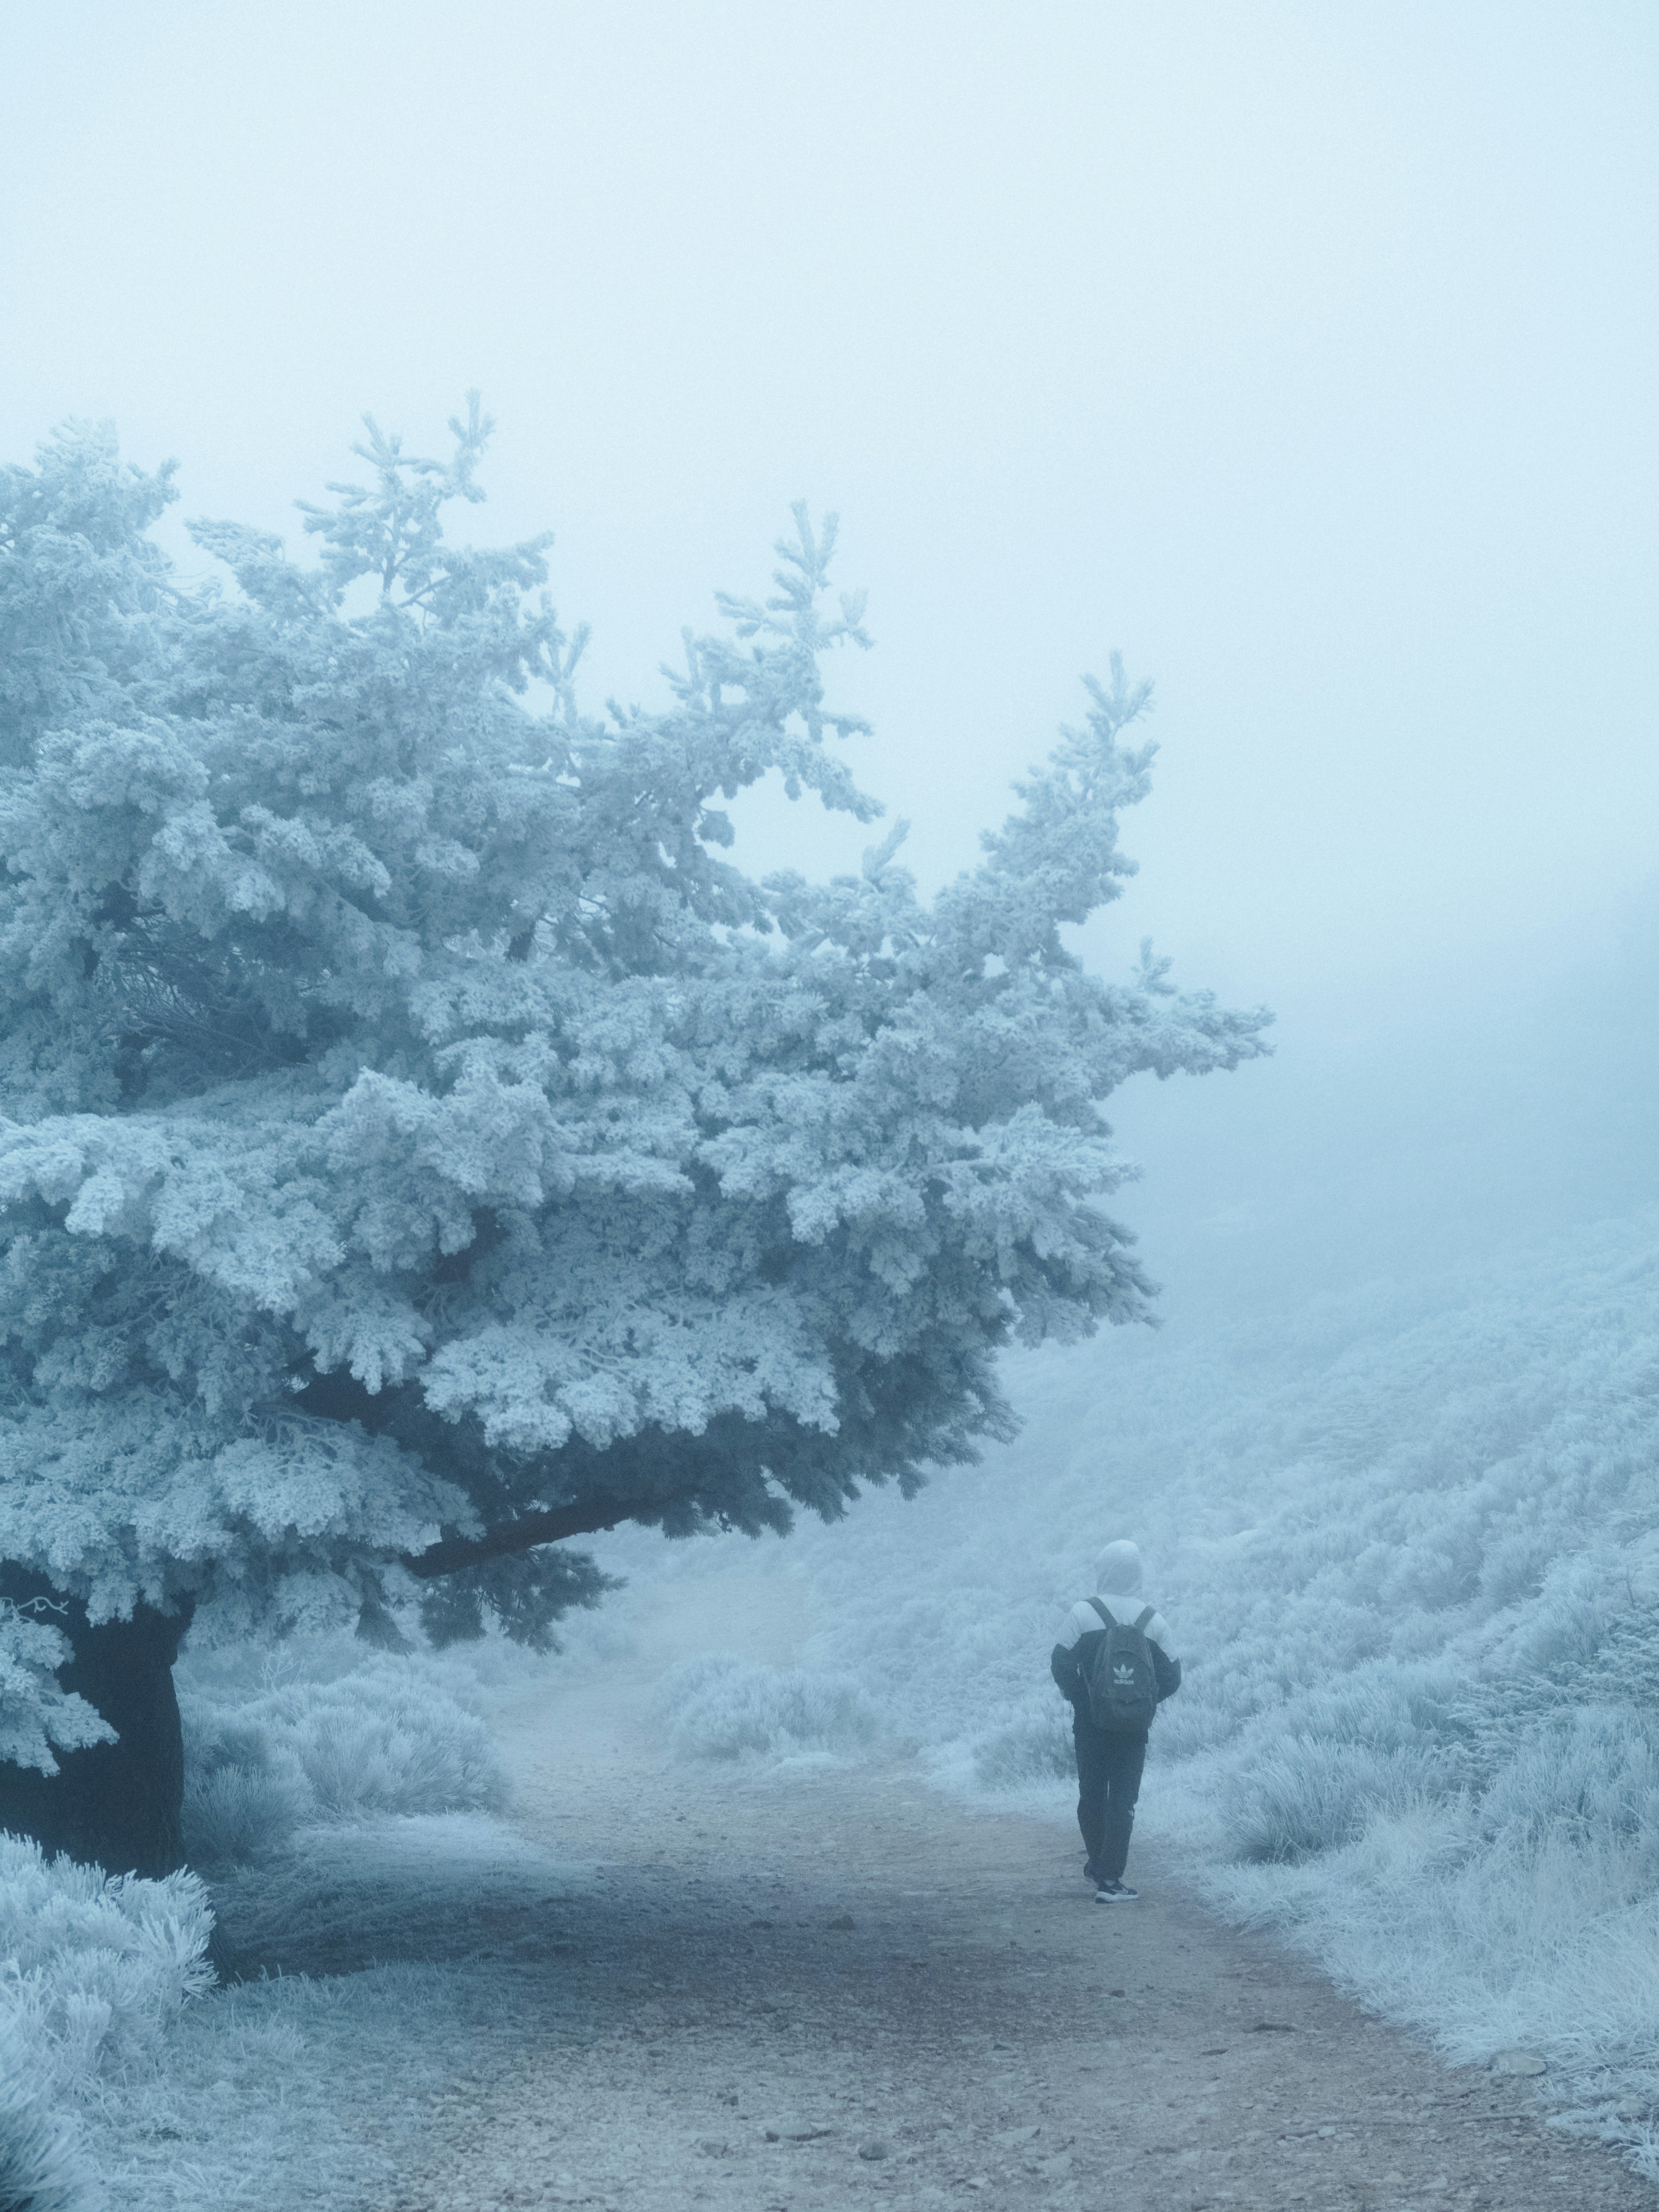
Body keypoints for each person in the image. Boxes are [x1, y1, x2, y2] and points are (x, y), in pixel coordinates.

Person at [1049, 1539, 1181, 1902]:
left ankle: (1101, 1870)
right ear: (1137, 1573)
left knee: (1091, 1795)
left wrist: (1084, 1699)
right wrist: (1141, 1704)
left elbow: (1060, 1663)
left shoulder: (1083, 1613)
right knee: (1122, 1802)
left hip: (1090, 1725)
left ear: (1103, 1570)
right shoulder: (1153, 1619)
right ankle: (1110, 1878)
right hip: (1133, 1729)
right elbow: (1173, 1677)